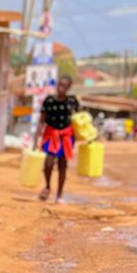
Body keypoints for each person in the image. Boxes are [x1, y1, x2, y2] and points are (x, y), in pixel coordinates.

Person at [37, 75, 80, 203]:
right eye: (59, 85)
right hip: (51, 134)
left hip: (66, 136)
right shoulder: (49, 101)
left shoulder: (72, 101)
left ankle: (59, 195)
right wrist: (35, 140)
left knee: (62, 165)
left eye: (64, 86)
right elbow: (41, 121)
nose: (60, 88)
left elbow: (79, 120)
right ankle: (47, 186)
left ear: (68, 87)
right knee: (48, 163)